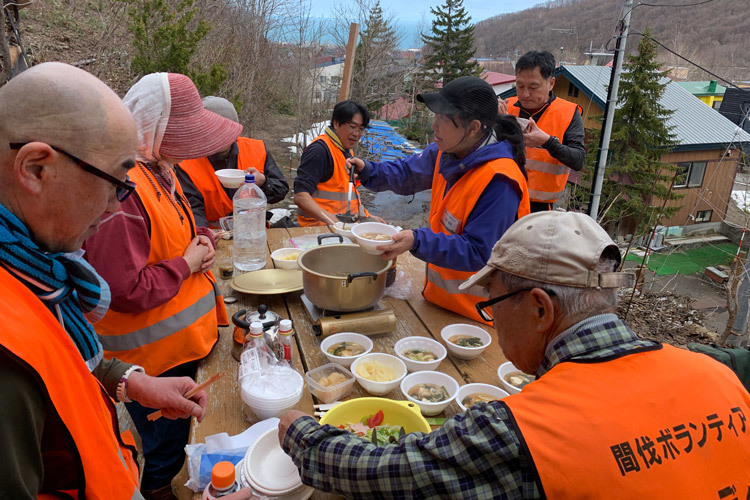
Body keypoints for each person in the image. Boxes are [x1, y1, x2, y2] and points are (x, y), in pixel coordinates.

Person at [278, 210, 750, 498]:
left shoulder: (525, 428)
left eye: (493, 305)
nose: (492, 321)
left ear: (540, 308)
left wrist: (301, 434)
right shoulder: (716, 376)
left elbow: (383, 474)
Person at [0, 63, 253, 500]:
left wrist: (129, 381)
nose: (117, 210)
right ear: (36, 169)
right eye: (116, 184)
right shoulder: (7, 350)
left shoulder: (38, 276)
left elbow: (60, 357)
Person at [83, 73, 243, 499]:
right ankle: (158, 490)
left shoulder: (159, 172)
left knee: (178, 439)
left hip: (183, 346)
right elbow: (124, 288)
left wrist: (202, 244)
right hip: (152, 361)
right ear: (152, 128)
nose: (194, 148)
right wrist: (186, 264)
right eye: (184, 134)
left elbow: (170, 238)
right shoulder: (124, 190)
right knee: (164, 453)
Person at [348, 76, 530, 324]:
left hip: (479, 316)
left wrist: (417, 240)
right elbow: (408, 173)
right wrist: (369, 171)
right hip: (438, 302)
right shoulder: (448, 151)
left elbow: (478, 252)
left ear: (474, 127)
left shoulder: (500, 181)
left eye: (443, 119)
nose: (434, 125)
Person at [175, 96, 289, 228]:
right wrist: (202, 235)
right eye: (213, 132)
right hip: (214, 236)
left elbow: (281, 191)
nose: (220, 138)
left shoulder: (257, 149)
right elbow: (192, 209)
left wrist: (263, 182)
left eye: (226, 131)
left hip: (255, 231)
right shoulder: (187, 162)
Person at [501, 50, 585, 212]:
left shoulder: (567, 113)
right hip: (502, 198)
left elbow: (578, 160)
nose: (525, 94)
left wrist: (547, 142)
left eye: (533, 87)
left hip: (540, 208)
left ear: (551, 83)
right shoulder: (506, 107)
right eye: (520, 86)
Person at [293, 100, 375, 226]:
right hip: (321, 230)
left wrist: (366, 216)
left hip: (345, 226)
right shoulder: (319, 150)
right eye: (352, 127)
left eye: (361, 129)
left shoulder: (346, 150)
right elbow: (300, 196)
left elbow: (346, 194)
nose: (356, 134)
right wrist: (335, 223)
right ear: (336, 123)